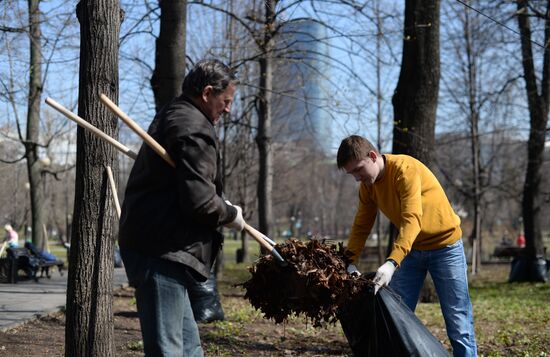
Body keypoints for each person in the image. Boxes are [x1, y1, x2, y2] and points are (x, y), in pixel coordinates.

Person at [119, 59, 245, 357]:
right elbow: (200, 202)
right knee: (170, 351)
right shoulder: (194, 129)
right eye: (225, 101)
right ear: (207, 93)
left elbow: (191, 187)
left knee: (189, 349)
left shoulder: (176, 114)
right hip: (161, 251)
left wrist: (219, 202)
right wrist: (229, 214)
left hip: (162, 248)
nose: (228, 109)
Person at [337, 135, 477, 357]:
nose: (356, 178)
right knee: (395, 315)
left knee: (457, 318)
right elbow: (361, 225)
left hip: (445, 247)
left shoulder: (404, 169)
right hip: (412, 252)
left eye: (358, 170)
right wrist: (349, 261)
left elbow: (412, 218)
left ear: (373, 156)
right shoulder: (368, 187)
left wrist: (392, 262)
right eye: (352, 173)